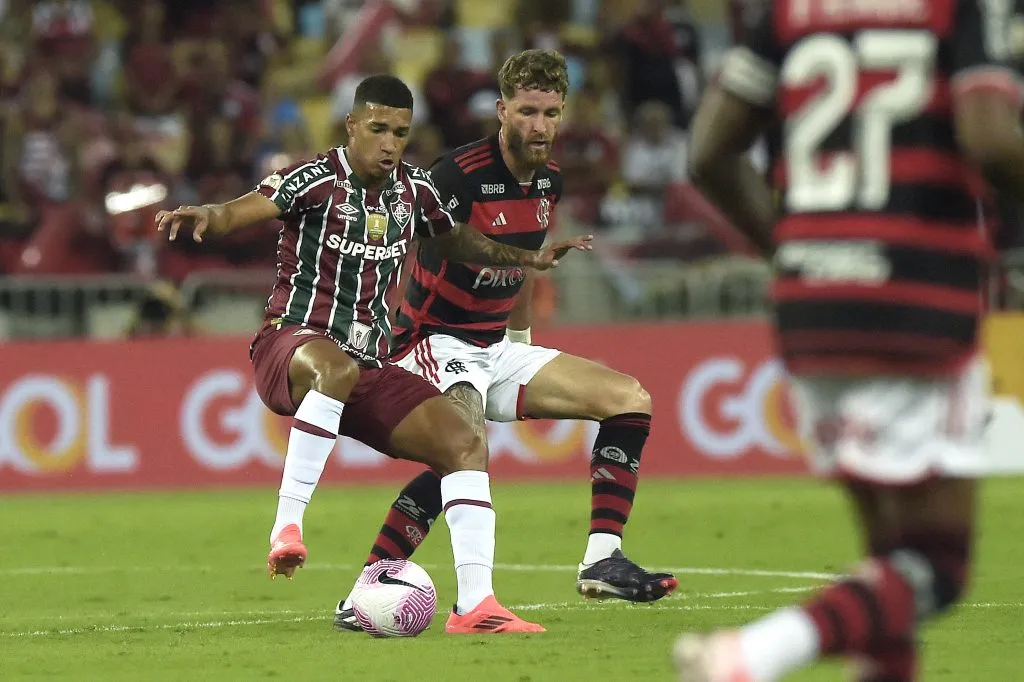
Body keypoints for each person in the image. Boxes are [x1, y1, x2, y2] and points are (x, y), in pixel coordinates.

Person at [156, 74, 592, 634]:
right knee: (333, 366)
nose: (390, 143)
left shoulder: (413, 190)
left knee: (464, 442)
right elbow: (243, 210)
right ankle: (287, 527)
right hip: (290, 346)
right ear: (353, 126)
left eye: (401, 133)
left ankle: (476, 606)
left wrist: (522, 257)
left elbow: (453, 237)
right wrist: (207, 215)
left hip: (368, 367)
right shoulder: (313, 178)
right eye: (379, 129)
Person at [673, 0, 1024, 679]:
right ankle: (752, 655)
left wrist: (796, 251)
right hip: (916, 300)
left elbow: (710, 152)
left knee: (889, 564)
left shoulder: (791, 12)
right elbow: (989, 137)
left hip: (812, 301)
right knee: (938, 567)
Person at [333, 49, 676, 634]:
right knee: (464, 447)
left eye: (550, 112)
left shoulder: (548, 182)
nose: (539, 126)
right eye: (526, 111)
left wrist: (520, 339)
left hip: (495, 345)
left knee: (629, 398)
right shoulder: (456, 175)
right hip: (433, 339)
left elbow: (523, 268)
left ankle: (601, 560)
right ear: (501, 110)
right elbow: (437, 248)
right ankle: (471, 606)